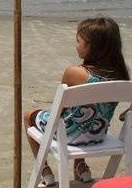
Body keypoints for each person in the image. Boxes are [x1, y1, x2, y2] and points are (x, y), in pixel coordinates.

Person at [23, 17, 130, 187]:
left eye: (78, 41)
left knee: (29, 115)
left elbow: (61, 110)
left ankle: (45, 171)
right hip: (98, 135)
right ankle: (81, 166)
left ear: (92, 47)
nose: (76, 45)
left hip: (69, 137)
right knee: (89, 115)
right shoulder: (122, 77)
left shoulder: (75, 73)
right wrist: (125, 114)